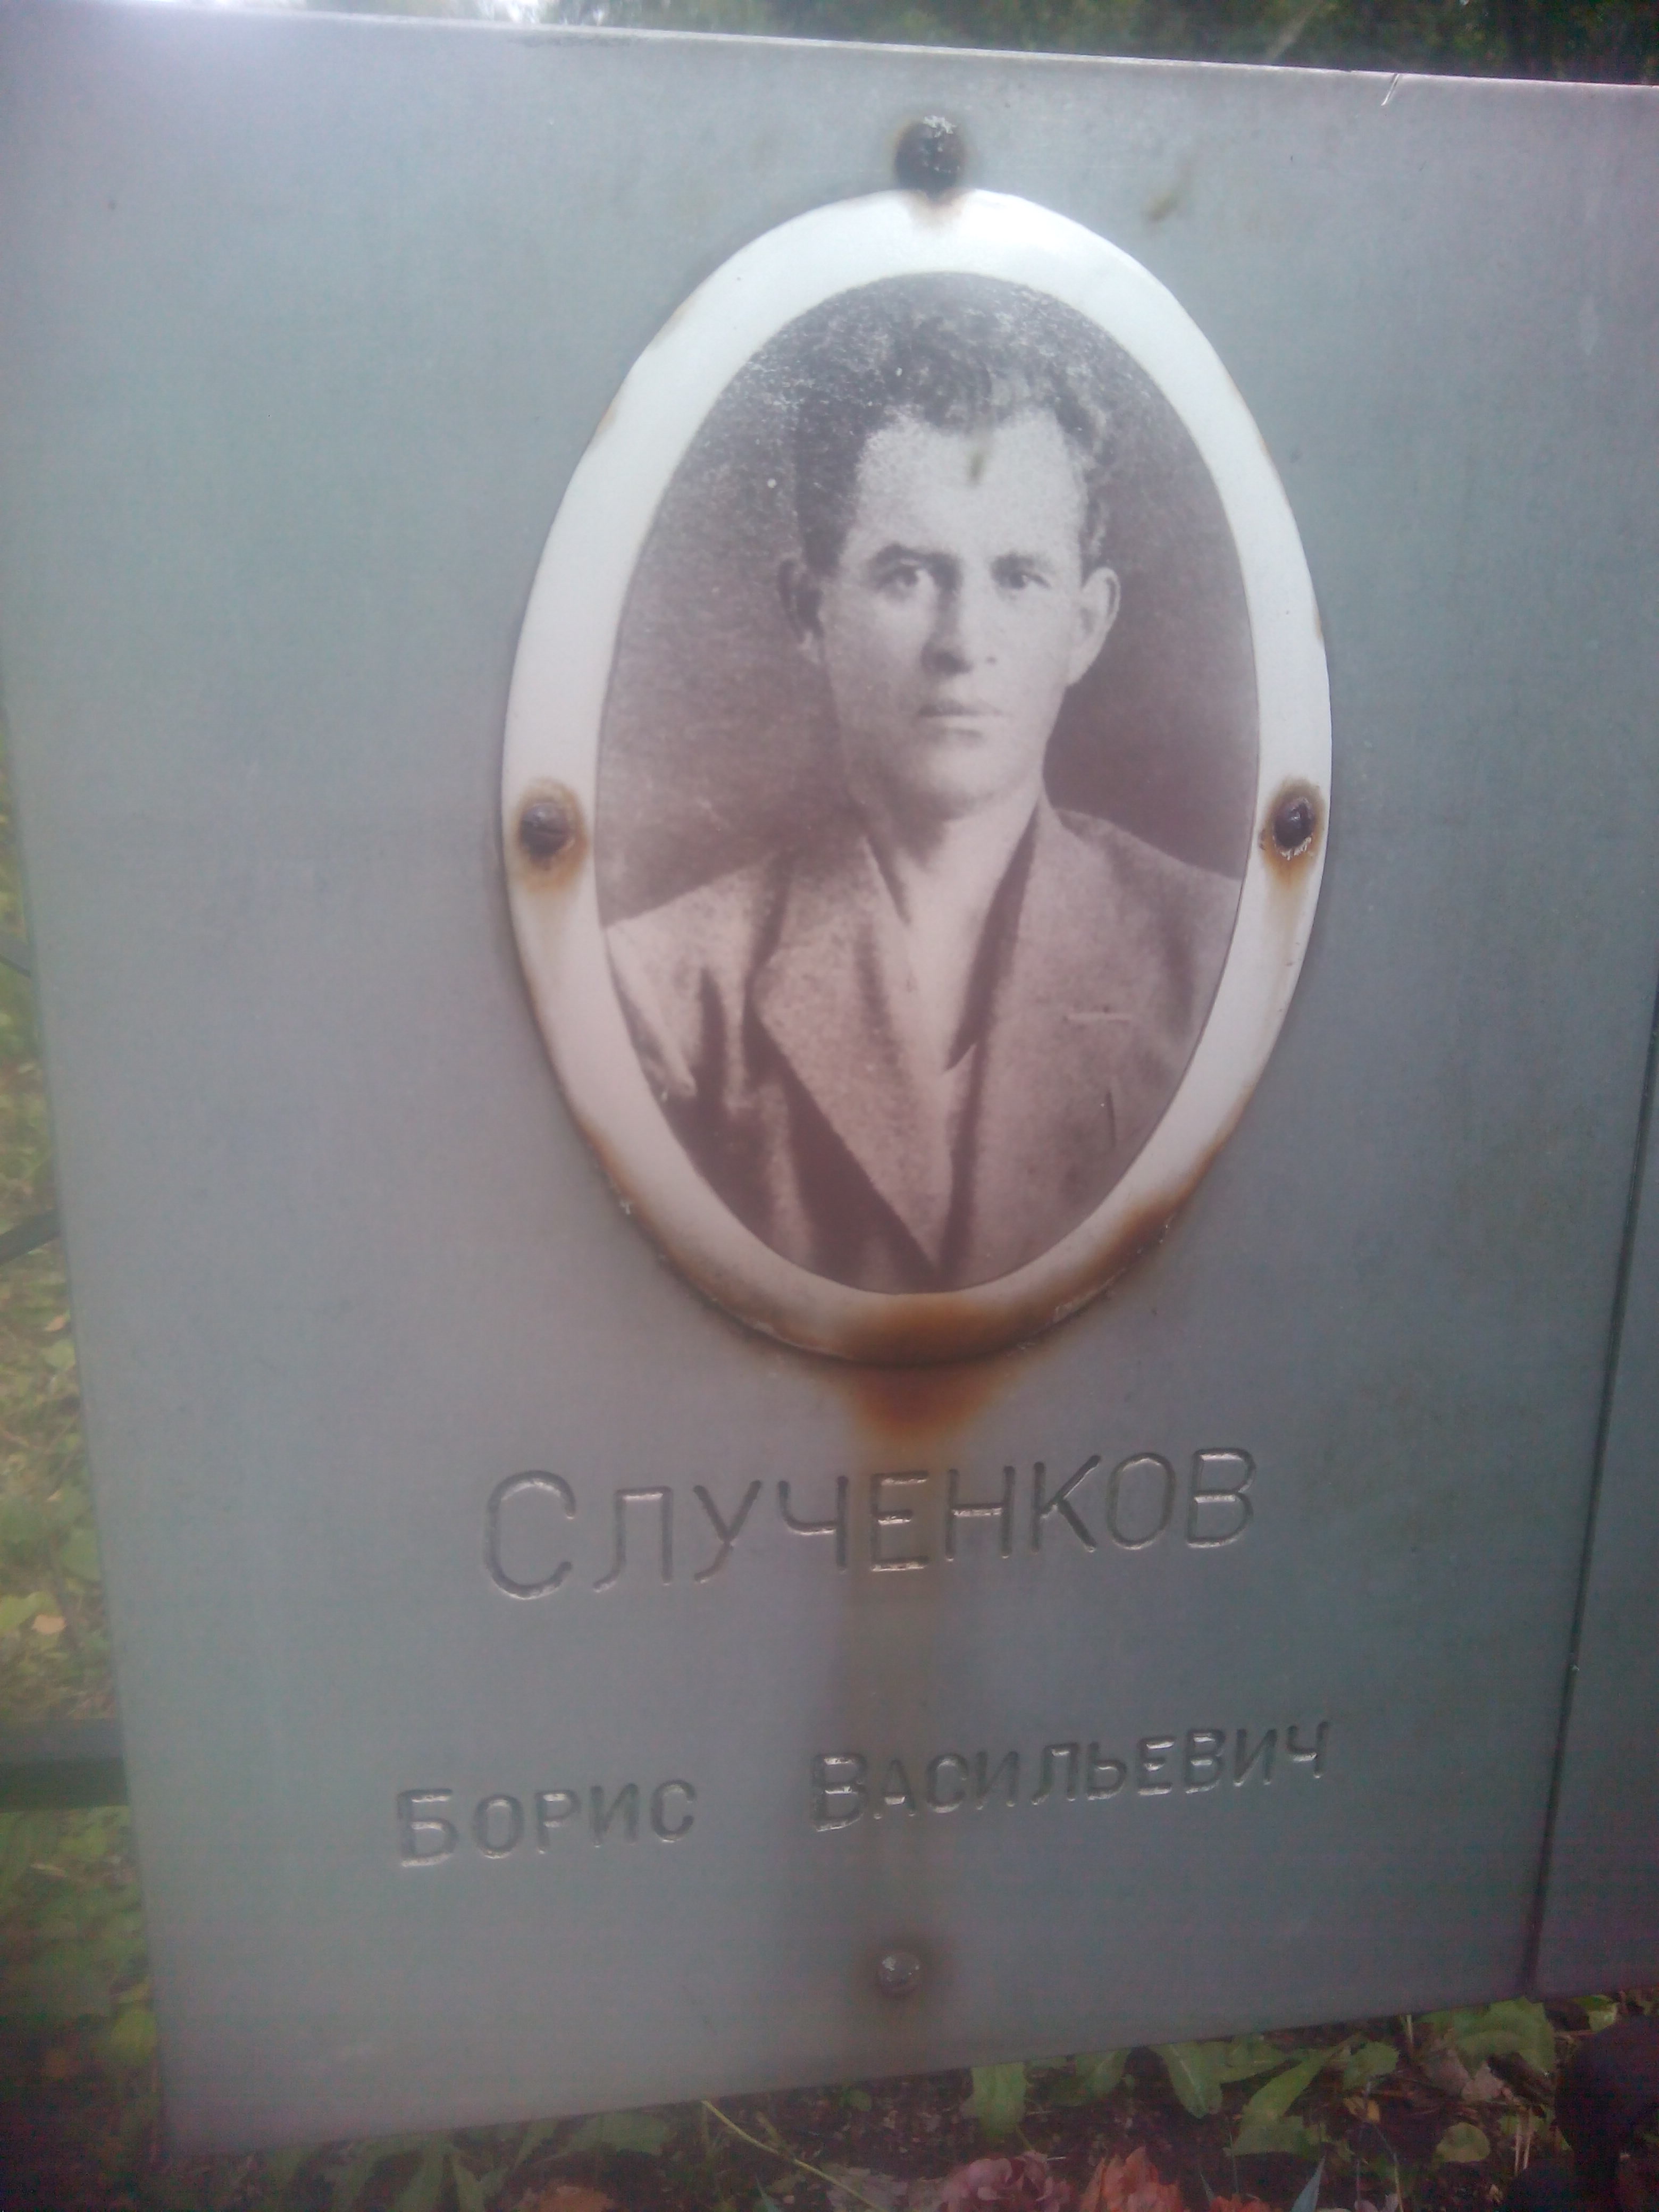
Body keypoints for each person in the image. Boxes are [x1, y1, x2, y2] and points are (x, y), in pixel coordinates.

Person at [606, 278, 1239, 1295]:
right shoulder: (665, 995)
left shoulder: (1214, 956)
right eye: (908, 574)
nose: (963, 642)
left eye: (1018, 577)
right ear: (809, 610)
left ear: (1086, 625)